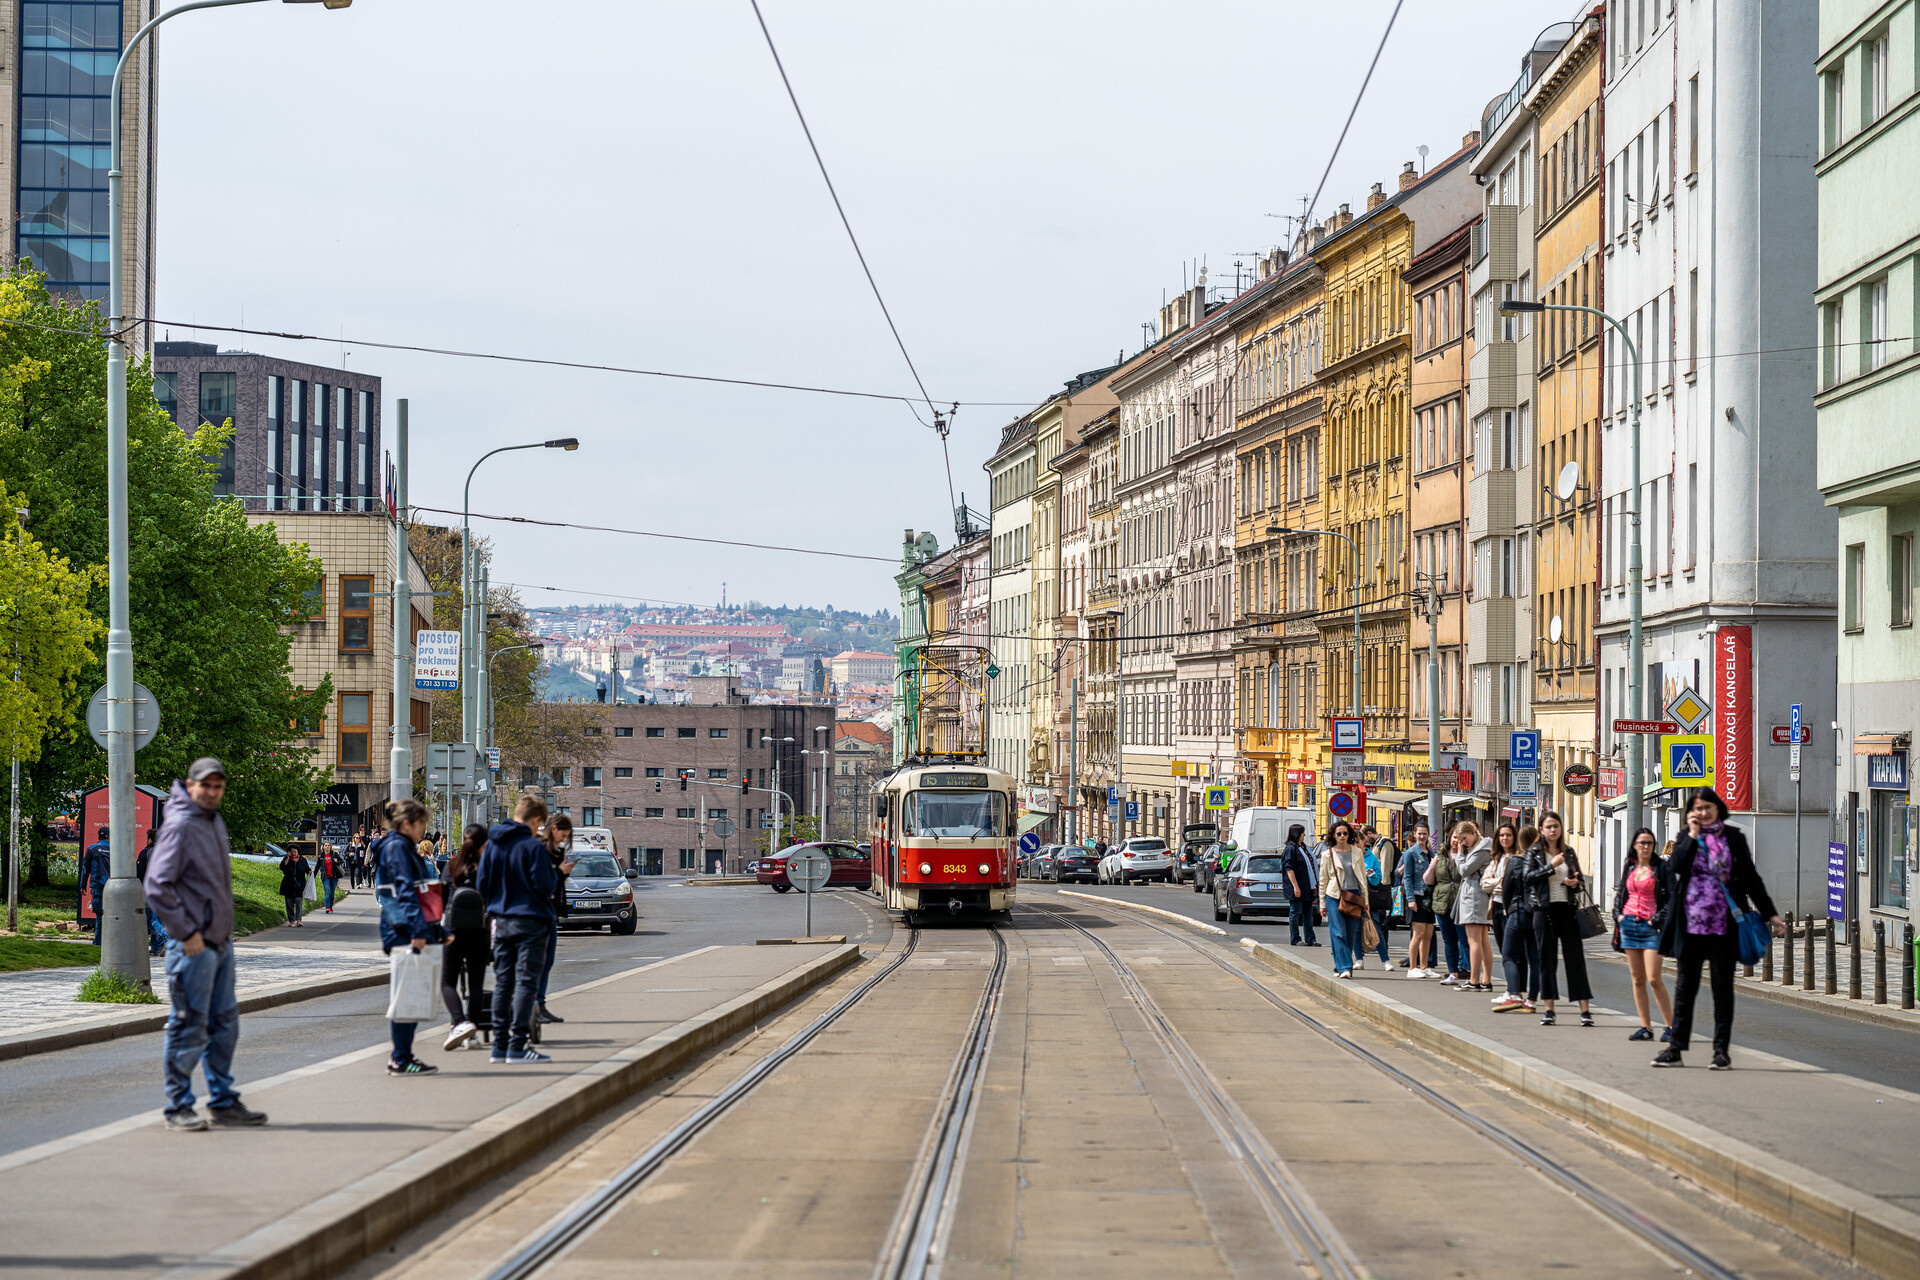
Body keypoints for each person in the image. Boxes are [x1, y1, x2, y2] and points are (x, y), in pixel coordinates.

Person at [144, 757, 267, 1131]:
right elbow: (156, 885)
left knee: (225, 1025)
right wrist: (186, 932)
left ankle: (223, 1101)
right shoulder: (180, 825)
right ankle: (178, 1106)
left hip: (218, 944)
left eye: (218, 786)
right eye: (206, 785)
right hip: (194, 947)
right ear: (190, 785)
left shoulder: (212, 821)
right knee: (189, 1026)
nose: (212, 792)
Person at [1653, 788, 1784, 1069]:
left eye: (1707, 807)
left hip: (1724, 925)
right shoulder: (1685, 838)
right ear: (1691, 811)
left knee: (1722, 989)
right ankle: (1675, 1049)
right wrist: (1690, 834)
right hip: (1690, 925)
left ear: (1717, 808)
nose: (1702, 812)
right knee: (1685, 988)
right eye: (1697, 808)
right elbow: (1673, 867)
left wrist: (1770, 913)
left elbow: (1750, 877)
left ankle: (1721, 1051)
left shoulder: (1733, 838)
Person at [480, 793, 560, 1063]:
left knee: (503, 982)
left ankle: (499, 1046)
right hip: (531, 921)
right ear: (536, 819)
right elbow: (546, 885)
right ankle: (517, 1046)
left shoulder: (492, 844)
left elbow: (482, 884)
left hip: (501, 921)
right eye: (540, 824)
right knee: (526, 982)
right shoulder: (532, 846)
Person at [374, 798, 441, 1075]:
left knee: (411, 995)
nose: (424, 829)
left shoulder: (398, 846)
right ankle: (400, 1058)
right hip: (403, 929)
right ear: (406, 824)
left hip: (403, 927)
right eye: (421, 823)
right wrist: (419, 930)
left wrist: (439, 930)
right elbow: (406, 891)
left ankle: (403, 1055)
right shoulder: (398, 848)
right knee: (407, 996)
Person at [1531, 813, 1594, 1027]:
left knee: (1575, 960)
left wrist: (1575, 883)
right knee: (1546, 961)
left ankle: (1585, 1011)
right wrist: (1550, 866)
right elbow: (1527, 878)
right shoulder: (1535, 853)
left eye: (1556, 826)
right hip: (1544, 911)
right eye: (1548, 827)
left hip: (1567, 910)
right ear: (1541, 829)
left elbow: (1581, 881)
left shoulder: (1568, 852)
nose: (1553, 830)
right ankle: (1549, 1010)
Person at [1616, 827, 1674, 1042]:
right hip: (1629, 924)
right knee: (1637, 979)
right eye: (1642, 843)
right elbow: (1622, 892)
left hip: (1652, 928)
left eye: (1650, 843)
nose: (1646, 847)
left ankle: (1670, 1027)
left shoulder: (1661, 868)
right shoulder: (1630, 866)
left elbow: (1672, 898)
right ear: (1634, 845)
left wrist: (1656, 920)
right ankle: (1646, 1028)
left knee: (1653, 978)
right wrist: (1618, 915)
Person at [441, 824, 490, 1050]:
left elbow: (440, 901)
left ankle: (459, 1022)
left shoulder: (451, 865)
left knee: (447, 981)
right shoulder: (487, 868)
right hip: (480, 931)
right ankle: (471, 1032)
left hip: (453, 930)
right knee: (476, 983)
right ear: (484, 843)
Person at [1493, 822, 1541, 1013]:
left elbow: (1507, 890)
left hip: (1517, 912)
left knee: (1509, 955)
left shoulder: (1516, 861)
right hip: (1536, 915)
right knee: (1534, 959)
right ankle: (1531, 1001)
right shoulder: (1542, 861)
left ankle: (1514, 995)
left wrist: (1506, 908)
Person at [536, 814, 578, 1023]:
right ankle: (534, 1005)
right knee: (539, 961)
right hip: (538, 913)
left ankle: (540, 1004)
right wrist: (560, 872)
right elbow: (544, 884)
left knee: (548, 961)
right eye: (563, 835)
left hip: (551, 912)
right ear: (553, 829)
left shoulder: (557, 851)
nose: (563, 840)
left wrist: (563, 873)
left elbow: (555, 883)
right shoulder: (539, 849)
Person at [1318, 821, 1369, 978]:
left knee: (1350, 934)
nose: (1342, 836)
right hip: (1334, 896)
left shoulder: (1356, 852)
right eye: (1339, 833)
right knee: (1338, 932)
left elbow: (1362, 877)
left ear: (1349, 835)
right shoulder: (1327, 854)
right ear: (1333, 835)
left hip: (1353, 896)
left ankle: (1340, 965)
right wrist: (1322, 903)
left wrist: (1366, 901)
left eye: (1345, 833)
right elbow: (1323, 880)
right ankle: (1345, 967)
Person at [1451, 822, 1495, 991]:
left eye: (1464, 838)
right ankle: (1485, 980)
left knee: (1474, 940)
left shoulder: (1481, 850)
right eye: (1460, 839)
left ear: (1473, 833)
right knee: (1483, 940)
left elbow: (1464, 870)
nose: (1463, 842)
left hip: (1475, 896)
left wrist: (1460, 854)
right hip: (1478, 895)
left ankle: (1474, 980)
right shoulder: (1484, 847)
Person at [1400, 826, 1436, 976]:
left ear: (1428, 835)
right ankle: (1412, 968)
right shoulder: (1410, 853)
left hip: (1429, 896)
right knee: (1418, 933)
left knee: (1428, 933)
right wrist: (1410, 899)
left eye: (1424, 834)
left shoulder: (1431, 853)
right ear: (1415, 834)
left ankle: (1424, 966)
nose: (1422, 837)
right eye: (1419, 834)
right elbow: (1407, 877)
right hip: (1417, 895)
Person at [1280, 824, 1318, 946]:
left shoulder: (1304, 848)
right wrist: (1295, 886)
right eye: (1302, 833)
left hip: (1308, 886)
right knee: (1295, 913)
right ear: (1296, 834)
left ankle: (1310, 939)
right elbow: (1289, 869)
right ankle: (1295, 939)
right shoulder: (1291, 849)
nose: (1304, 835)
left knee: (1308, 914)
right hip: (1297, 887)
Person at [1362, 834, 1395, 970]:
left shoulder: (1372, 858)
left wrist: (1371, 875)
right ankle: (1357, 959)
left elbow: (1378, 880)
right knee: (1354, 930)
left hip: (1371, 899)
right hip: (1354, 899)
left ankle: (1386, 960)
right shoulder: (1349, 858)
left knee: (1377, 929)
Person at [136, 826, 166, 955]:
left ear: (149, 840)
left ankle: (167, 939)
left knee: (151, 919)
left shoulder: (146, 852)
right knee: (158, 918)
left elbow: (140, 873)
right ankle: (155, 948)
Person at [83, 827, 111, 946]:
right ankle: (110, 943)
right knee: (112, 915)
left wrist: (82, 885)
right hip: (113, 886)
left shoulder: (92, 849)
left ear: (98, 836)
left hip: (98, 885)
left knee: (100, 916)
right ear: (109, 836)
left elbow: (85, 869)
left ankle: (98, 943)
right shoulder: (115, 849)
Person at [276, 845, 309, 927]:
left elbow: (307, 870)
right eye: (292, 851)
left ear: (298, 852)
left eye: (295, 851)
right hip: (288, 885)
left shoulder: (302, 860)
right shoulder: (286, 860)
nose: (293, 853)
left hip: (299, 885)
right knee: (289, 903)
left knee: (298, 902)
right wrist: (287, 858)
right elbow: (282, 867)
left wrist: (310, 872)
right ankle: (291, 920)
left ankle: (299, 920)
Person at [316, 842, 342, 914]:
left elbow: (341, 861)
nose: (327, 847)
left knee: (332, 892)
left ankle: (330, 906)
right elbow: (317, 866)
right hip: (325, 876)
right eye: (326, 845)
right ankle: (327, 907)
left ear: (330, 847)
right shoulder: (321, 856)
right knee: (328, 891)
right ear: (323, 847)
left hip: (334, 876)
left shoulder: (334, 854)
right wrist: (313, 876)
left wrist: (336, 861)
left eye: (328, 845)